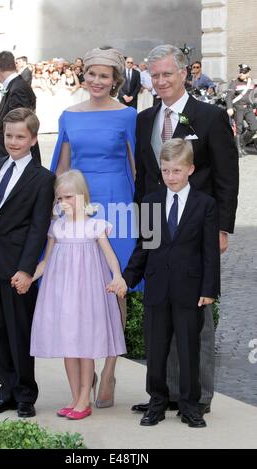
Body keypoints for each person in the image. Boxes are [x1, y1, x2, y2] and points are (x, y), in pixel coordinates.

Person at [131, 44, 239, 416]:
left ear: (184, 75)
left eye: (167, 74)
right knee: (160, 311)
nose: (160, 82)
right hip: (157, 227)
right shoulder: (145, 119)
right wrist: (144, 228)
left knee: (196, 315)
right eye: (155, 75)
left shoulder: (208, 117)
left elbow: (227, 176)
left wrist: (222, 228)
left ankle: (197, 396)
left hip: (197, 229)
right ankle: (163, 393)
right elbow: (145, 178)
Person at [50, 46, 140, 409]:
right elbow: (62, 168)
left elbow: (138, 168)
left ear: (115, 79)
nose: (97, 81)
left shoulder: (129, 115)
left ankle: (111, 367)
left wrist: (146, 220)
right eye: (92, 74)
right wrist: (58, 213)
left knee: (115, 287)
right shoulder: (69, 115)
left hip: (119, 204)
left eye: (105, 75)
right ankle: (87, 371)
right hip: (79, 205)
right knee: (82, 286)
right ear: (83, 76)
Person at [110, 139, 220, 427]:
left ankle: (190, 405)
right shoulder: (151, 202)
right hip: (157, 289)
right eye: (166, 170)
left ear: (190, 169)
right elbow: (144, 247)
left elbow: (209, 252)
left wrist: (209, 290)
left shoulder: (204, 204)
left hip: (190, 290)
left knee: (188, 350)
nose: (171, 177)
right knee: (156, 350)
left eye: (177, 171)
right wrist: (126, 279)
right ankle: (157, 402)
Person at [0, 108, 55, 418]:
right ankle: (5, 390)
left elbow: (38, 228)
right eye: (9, 136)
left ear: (33, 139)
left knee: (19, 331)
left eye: (21, 137)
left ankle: (24, 395)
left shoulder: (43, 178)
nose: (13, 142)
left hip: (18, 266)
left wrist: (26, 269)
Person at [30, 170, 127, 420]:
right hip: (62, 295)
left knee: (85, 347)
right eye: (59, 198)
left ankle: (85, 399)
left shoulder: (94, 226)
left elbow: (110, 257)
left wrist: (117, 276)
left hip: (88, 294)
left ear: (83, 196)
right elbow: (46, 262)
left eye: (69, 197)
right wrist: (30, 277)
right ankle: (74, 397)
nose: (64, 203)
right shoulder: (56, 228)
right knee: (69, 347)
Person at [0, 51, 41, 162]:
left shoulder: (17, 88)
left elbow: (19, 122)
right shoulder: (16, 84)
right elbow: (7, 104)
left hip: (15, 156)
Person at [226, 64, 257, 157]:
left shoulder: (251, 82)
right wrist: (229, 107)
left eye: (243, 72)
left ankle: (242, 143)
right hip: (238, 108)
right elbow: (229, 96)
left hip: (249, 108)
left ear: (248, 73)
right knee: (238, 129)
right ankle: (238, 149)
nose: (241, 74)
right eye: (240, 72)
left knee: (254, 127)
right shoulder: (234, 83)